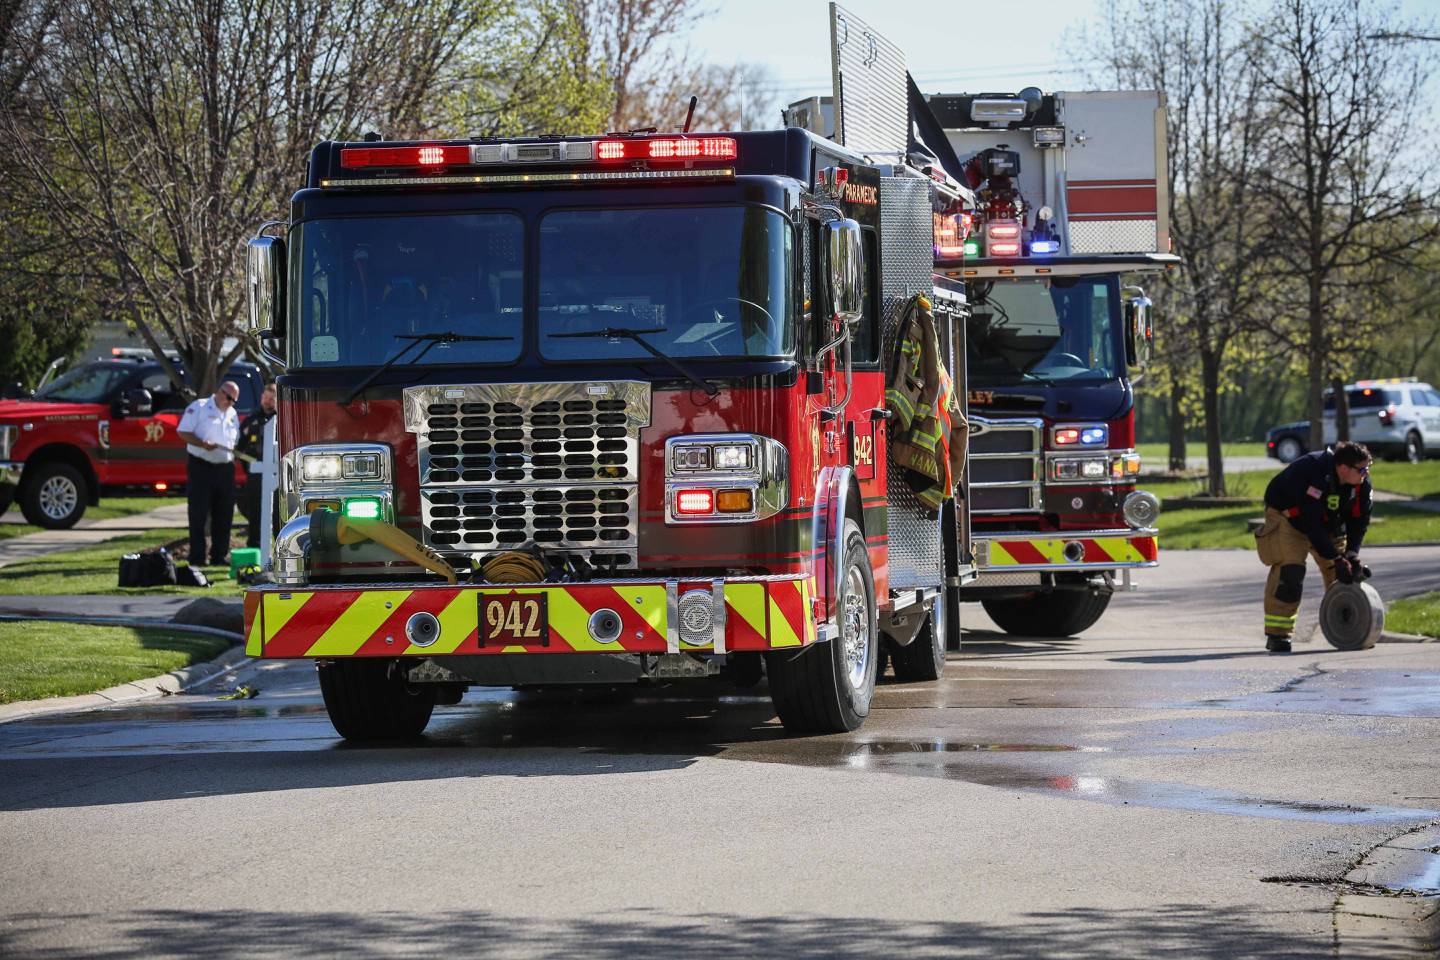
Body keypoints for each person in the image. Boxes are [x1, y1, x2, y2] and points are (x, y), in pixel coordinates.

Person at [1255, 440, 1373, 653]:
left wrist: (1351, 554)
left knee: (1344, 574)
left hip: (1328, 524)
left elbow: (1360, 520)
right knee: (1291, 571)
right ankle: (1278, 634)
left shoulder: (1361, 484)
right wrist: (1335, 557)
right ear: (1344, 468)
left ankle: (1347, 628)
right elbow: (1310, 523)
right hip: (1289, 519)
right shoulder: (1312, 470)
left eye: (1368, 467)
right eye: (1362, 469)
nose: (1366, 473)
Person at [177, 381, 241, 566]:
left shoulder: (232, 414)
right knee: (198, 513)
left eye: (234, 400)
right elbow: (183, 431)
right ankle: (197, 557)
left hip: (225, 468)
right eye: (229, 398)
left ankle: (219, 556)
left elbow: (234, 440)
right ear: (220, 392)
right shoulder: (199, 407)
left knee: (224, 513)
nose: (230, 402)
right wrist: (202, 443)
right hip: (201, 466)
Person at [236, 382, 276, 548]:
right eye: (265, 397)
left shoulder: (282, 419)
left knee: (277, 512)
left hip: (277, 473)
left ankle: (280, 547)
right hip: (255, 473)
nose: (267, 401)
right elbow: (240, 447)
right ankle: (254, 546)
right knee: (254, 510)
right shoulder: (251, 420)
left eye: (271, 398)